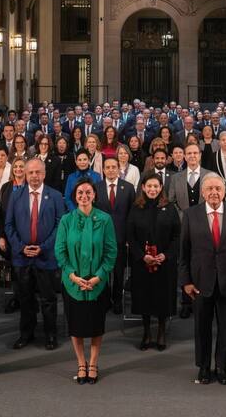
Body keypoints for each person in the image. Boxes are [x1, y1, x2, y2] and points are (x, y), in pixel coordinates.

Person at [179, 173, 226, 385]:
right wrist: (186, 282)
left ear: (224, 191)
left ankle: (222, 367)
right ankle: (203, 367)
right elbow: (184, 252)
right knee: (202, 327)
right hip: (200, 281)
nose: (214, 192)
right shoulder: (190, 214)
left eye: (218, 188)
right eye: (209, 189)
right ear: (202, 192)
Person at [55, 177, 117, 385]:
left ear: (94, 195)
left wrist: (99, 276)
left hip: (98, 281)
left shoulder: (105, 219)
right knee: (76, 326)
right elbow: (60, 251)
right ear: (75, 196)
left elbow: (111, 251)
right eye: (80, 192)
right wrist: (72, 275)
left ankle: (93, 363)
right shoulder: (66, 220)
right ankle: (81, 362)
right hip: (73, 281)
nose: (84, 196)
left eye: (88, 192)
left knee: (96, 325)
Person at [4, 158, 66, 351]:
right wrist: (21, 247)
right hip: (22, 257)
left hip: (46, 257)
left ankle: (50, 335)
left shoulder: (55, 196)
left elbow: (60, 225)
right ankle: (26, 334)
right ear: (25, 174)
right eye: (30, 172)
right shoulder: (15, 195)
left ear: (44, 174)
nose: (34, 176)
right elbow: (9, 225)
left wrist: (44, 247)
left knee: (48, 299)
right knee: (25, 298)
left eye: (38, 172)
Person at [126, 172, 181, 351]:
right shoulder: (136, 208)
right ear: (143, 187)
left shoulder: (169, 208)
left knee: (162, 297)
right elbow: (130, 236)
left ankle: (161, 332)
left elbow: (177, 236)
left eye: (156, 186)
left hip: (164, 262)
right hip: (142, 262)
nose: (152, 189)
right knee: (144, 297)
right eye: (149, 186)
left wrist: (166, 255)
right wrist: (142, 256)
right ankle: (147, 332)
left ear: (161, 188)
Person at [94, 157, 135, 315]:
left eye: (113, 167)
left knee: (118, 272)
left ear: (119, 169)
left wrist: (129, 238)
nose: (111, 170)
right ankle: (105, 300)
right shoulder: (96, 187)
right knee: (102, 270)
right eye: (108, 167)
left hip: (121, 238)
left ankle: (117, 300)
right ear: (103, 170)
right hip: (101, 237)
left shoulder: (128, 188)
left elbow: (132, 215)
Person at [0, 156, 26, 314]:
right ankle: (17, 298)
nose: (18, 169)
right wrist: (0, 236)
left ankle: (26, 299)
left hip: (27, 236)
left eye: (21, 166)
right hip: (9, 236)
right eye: (16, 167)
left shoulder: (30, 186)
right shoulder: (6, 187)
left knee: (26, 270)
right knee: (15, 269)